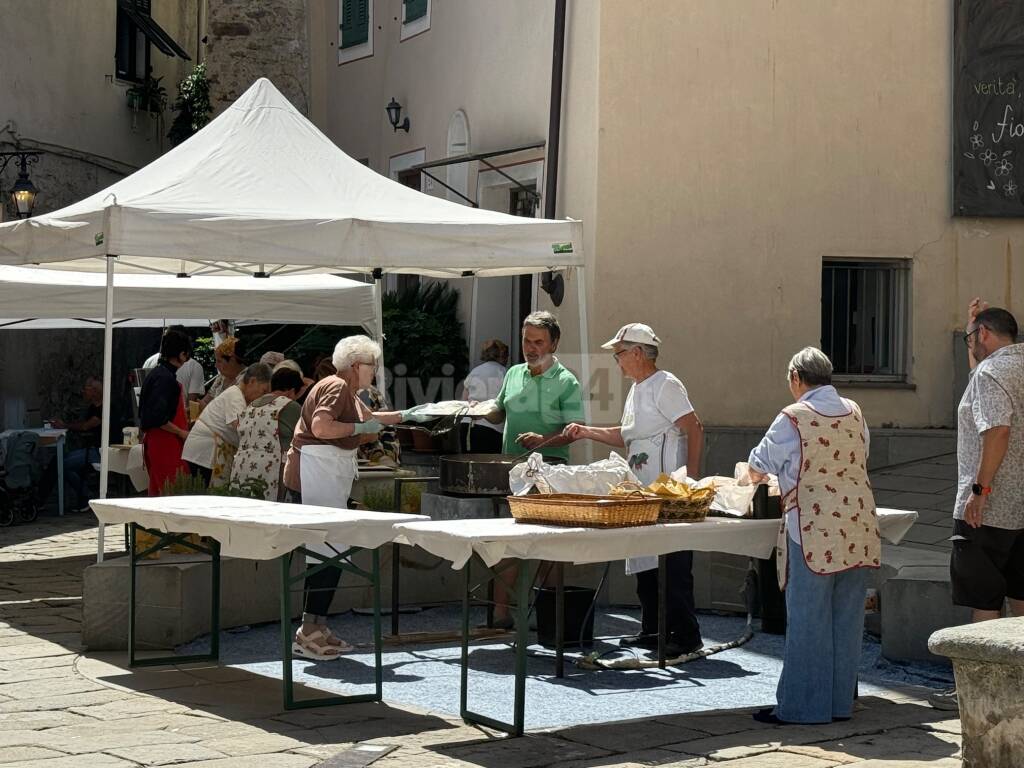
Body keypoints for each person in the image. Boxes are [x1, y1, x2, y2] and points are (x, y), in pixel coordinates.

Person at [744, 347, 878, 725]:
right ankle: (839, 704)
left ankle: (804, 708)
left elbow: (759, 463)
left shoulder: (794, 416)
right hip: (858, 524)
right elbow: (861, 454)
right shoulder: (855, 411)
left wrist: (762, 478)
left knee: (808, 619)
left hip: (814, 528)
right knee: (846, 619)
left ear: (796, 379)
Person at [564, 323, 705, 656]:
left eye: (620, 354)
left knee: (672, 564)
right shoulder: (637, 389)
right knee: (645, 561)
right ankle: (652, 629)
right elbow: (626, 435)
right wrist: (586, 431)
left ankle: (686, 635)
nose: (617, 361)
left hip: (669, 491)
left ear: (638, 353)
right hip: (642, 490)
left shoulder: (665, 384)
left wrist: (691, 481)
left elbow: (694, 428)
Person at [283, 335, 405, 660]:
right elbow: (323, 428)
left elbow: (375, 420)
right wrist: (358, 432)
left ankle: (316, 627)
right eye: (371, 366)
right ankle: (309, 630)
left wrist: (420, 414)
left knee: (330, 552)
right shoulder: (337, 387)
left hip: (321, 476)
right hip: (314, 477)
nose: (374, 372)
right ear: (355, 366)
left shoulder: (344, 389)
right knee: (326, 553)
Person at [929, 299, 1024, 712]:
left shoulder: (990, 374)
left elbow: (997, 429)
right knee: (1021, 596)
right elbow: (981, 392)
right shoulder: (1013, 366)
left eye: (972, 338)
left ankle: (977, 694)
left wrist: (978, 491)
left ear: (984, 335)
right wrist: (973, 335)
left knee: (984, 598)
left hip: (991, 507)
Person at [474, 312, 585, 626]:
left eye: (538, 341)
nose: (531, 347)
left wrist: (542, 440)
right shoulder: (513, 373)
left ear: (554, 343)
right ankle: (500, 615)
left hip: (551, 471)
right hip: (513, 470)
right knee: (508, 542)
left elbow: (576, 430)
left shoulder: (567, 381)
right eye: (526, 340)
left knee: (548, 544)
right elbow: (499, 411)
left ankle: (548, 617)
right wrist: (478, 411)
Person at [182, 363, 271, 486]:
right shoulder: (235, 395)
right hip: (205, 453)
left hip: (203, 451)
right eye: (264, 390)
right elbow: (241, 427)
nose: (263, 396)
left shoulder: (237, 395)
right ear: (252, 381)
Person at [230, 365, 304, 501]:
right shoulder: (290, 406)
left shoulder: (250, 406)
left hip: (242, 468)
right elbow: (306, 437)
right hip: (270, 471)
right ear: (291, 392)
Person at [36, 377, 104, 513]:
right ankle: (85, 497)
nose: (83, 392)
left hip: (98, 451)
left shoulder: (104, 408)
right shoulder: (92, 407)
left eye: (86, 389)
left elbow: (86, 426)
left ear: (95, 392)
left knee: (59, 464)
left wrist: (65, 425)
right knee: (60, 462)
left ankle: (39, 500)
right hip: (90, 449)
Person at [138, 330, 192, 495]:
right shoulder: (166, 379)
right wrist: (181, 432)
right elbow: (159, 418)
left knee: (158, 490)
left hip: (156, 441)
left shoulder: (155, 375)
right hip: (166, 442)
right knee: (173, 491)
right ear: (182, 355)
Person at [459, 339, 509, 453]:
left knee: (467, 466)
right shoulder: (505, 372)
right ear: (502, 356)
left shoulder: (474, 372)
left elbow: (464, 400)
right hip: (491, 428)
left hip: (467, 426)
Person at [143, 325, 206, 402]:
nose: (186, 359)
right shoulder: (172, 381)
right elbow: (191, 404)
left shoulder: (151, 364)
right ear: (182, 354)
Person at [201, 336, 249, 406]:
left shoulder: (248, 379)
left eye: (219, 361)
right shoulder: (221, 377)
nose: (216, 365)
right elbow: (206, 401)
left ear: (232, 361)